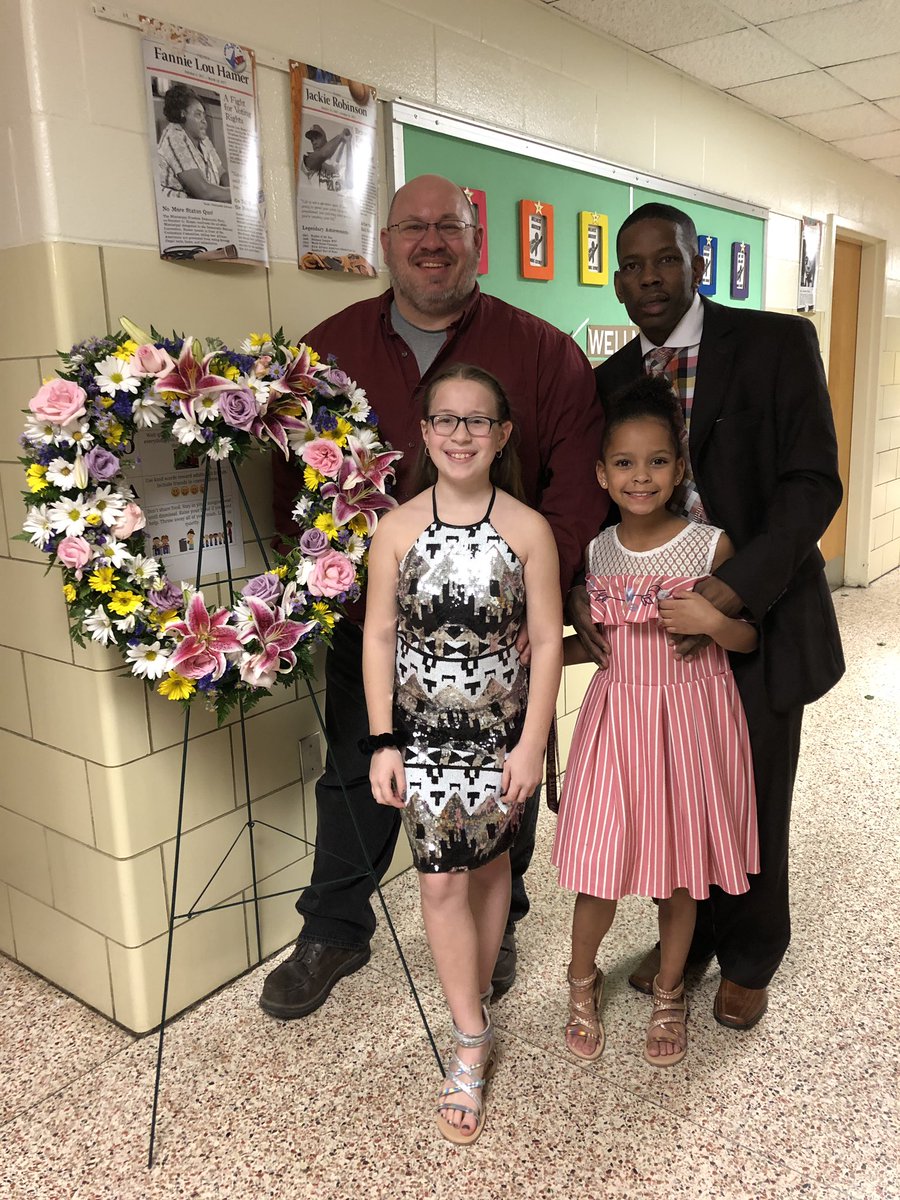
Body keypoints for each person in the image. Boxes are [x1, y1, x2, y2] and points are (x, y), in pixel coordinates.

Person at [261, 174, 606, 1021]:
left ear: (475, 240)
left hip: (499, 635)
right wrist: (321, 577)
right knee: (356, 769)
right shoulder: (326, 349)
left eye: (448, 226)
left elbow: (576, 487)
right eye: (412, 227)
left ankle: (503, 915)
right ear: (385, 244)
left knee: (501, 786)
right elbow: (285, 477)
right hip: (377, 627)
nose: (431, 242)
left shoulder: (543, 351)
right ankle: (334, 928)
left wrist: (531, 598)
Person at [571, 202, 844, 1030]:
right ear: (616, 277)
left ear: (698, 265)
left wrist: (733, 591)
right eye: (632, 264)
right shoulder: (611, 376)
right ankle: (686, 944)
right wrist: (584, 585)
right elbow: (601, 491)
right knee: (668, 795)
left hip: (752, 613)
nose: (649, 277)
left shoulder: (772, 344)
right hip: (652, 644)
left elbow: (811, 484)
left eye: (666, 259)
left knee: (750, 794)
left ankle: (751, 954)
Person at [364, 363, 562, 1142]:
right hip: (423, 737)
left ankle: (472, 999)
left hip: (499, 735)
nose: (460, 435)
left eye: (477, 421)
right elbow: (380, 634)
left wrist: (533, 745)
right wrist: (383, 740)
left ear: (502, 434)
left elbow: (546, 643)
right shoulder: (398, 527)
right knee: (441, 885)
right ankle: (471, 1040)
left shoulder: (528, 529)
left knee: (490, 869)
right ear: (424, 432)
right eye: (445, 420)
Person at [555, 376, 759, 1067]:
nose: (641, 476)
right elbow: (598, 643)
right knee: (601, 870)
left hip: (691, 727)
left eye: (657, 462)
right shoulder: (597, 553)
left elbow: (749, 641)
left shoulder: (710, 548)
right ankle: (581, 983)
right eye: (624, 463)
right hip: (617, 726)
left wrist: (712, 620)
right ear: (601, 473)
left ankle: (670, 991)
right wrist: (529, 655)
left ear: (681, 468)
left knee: (679, 875)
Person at [157, 83, 231, 203]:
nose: (204, 121)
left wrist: (234, 191)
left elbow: (221, 172)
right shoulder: (174, 137)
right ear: (182, 114)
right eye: (198, 115)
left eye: (204, 115)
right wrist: (240, 196)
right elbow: (204, 191)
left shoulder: (203, 139)